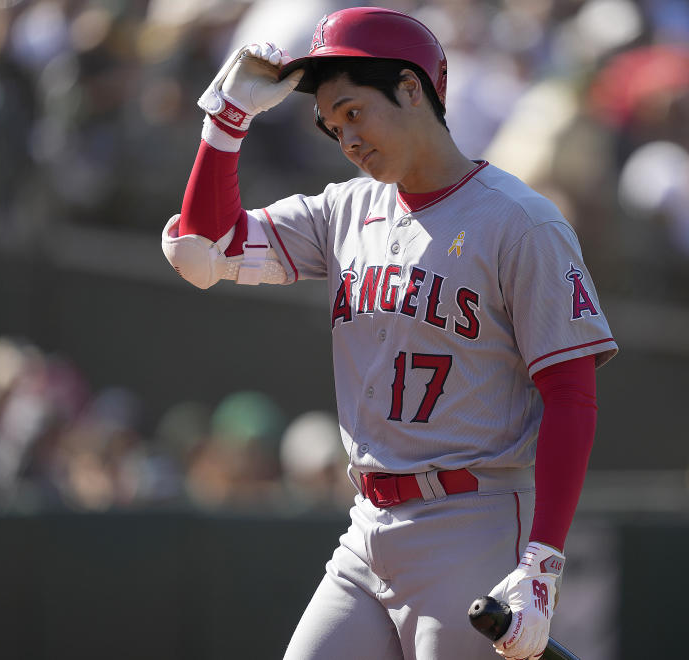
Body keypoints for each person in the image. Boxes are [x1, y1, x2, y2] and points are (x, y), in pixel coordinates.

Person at [161, 7, 617, 659]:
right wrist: (227, 120)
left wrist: (542, 564)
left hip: (476, 523)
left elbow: (571, 396)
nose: (345, 138)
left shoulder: (522, 223)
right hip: (368, 526)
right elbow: (206, 247)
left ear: (410, 88)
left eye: (353, 112)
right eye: (331, 125)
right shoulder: (346, 210)